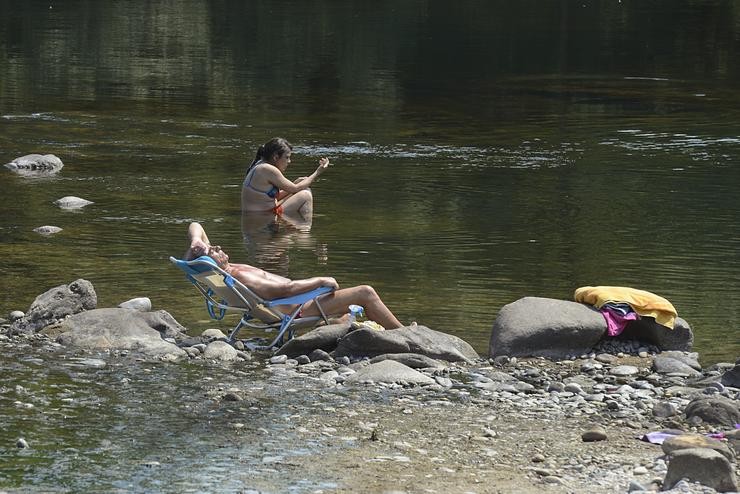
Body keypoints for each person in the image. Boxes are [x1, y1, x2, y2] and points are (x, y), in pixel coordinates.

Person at [183, 222, 402, 329]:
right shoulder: (239, 275)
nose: (217, 247)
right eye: (214, 250)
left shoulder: (223, 273)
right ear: (215, 261)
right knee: (365, 293)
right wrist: (322, 280)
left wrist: (196, 242)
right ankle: (404, 335)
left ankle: (343, 328)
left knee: (346, 315)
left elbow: (196, 225)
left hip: (287, 306)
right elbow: (284, 290)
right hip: (296, 308)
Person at [241, 137, 331, 217]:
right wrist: (318, 172)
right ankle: (304, 230)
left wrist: (295, 183)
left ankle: (295, 228)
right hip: (263, 216)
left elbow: (272, 198)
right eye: (287, 157)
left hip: (262, 213)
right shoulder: (267, 169)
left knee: (305, 190)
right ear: (276, 157)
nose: (289, 161)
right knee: (306, 195)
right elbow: (295, 189)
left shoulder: (261, 165)